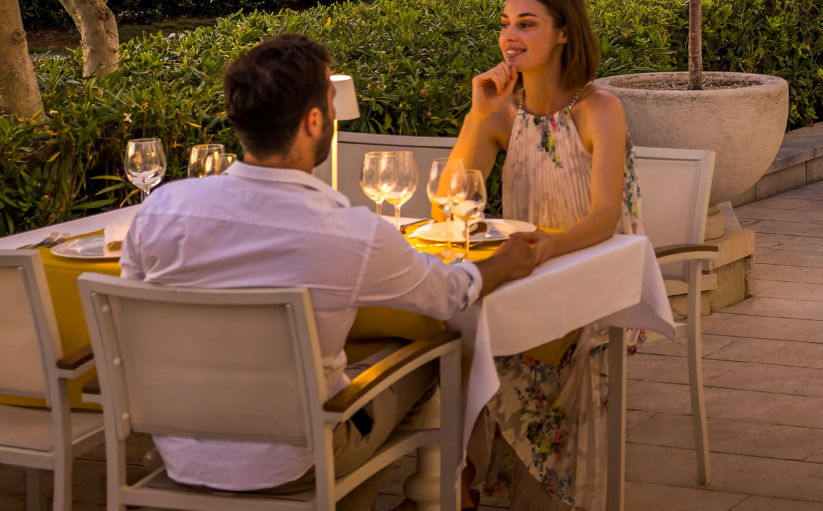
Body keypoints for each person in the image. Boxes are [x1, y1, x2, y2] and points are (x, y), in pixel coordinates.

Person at [121, 34, 541, 511]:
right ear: (314, 120)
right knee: (430, 356)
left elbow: (132, 301)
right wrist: (504, 262)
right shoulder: (348, 232)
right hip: (297, 460)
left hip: (181, 451)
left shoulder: (164, 209)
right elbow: (448, 295)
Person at [446, 0, 644, 510]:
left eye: (527, 24)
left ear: (563, 33)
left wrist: (553, 247)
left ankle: (480, 489)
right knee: (453, 337)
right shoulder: (502, 114)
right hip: (526, 267)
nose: (511, 35)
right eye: (506, 24)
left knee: (479, 343)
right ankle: (457, 488)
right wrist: (477, 113)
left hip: (591, 275)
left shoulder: (598, 109)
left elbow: (606, 215)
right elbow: (449, 203)